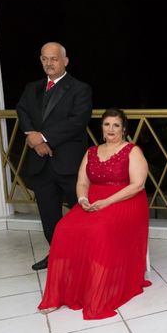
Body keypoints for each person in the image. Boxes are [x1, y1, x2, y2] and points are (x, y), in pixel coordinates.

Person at [38, 108, 151, 319]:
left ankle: (97, 287)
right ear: (101, 128)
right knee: (64, 228)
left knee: (98, 229)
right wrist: (82, 200)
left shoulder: (132, 151)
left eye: (116, 125)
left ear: (124, 129)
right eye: (107, 124)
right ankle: (62, 291)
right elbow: (82, 182)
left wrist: (106, 202)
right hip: (92, 201)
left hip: (125, 200)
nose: (111, 129)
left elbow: (138, 185)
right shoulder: (91, 152)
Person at [16, 42, 93, 271]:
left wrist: (44, 138)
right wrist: (32, 136)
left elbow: (78, 121)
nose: (49, 63)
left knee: (81, 213)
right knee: (49, 218)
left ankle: (86, 255)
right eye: (45, 59)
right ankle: (58, 255)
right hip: (41, 164)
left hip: (69, 163)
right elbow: (22, 111)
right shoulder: (32, 88)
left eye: (54, 59)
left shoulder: (80, 89)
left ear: (65, 61)